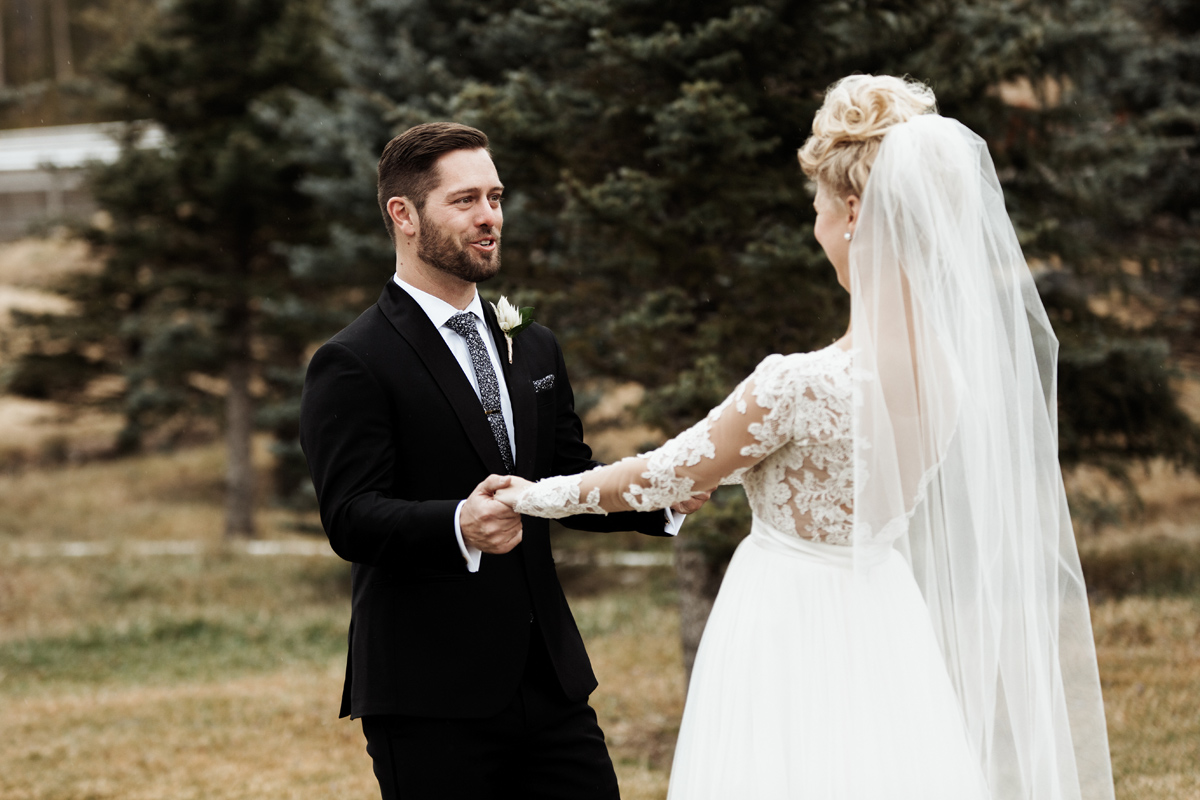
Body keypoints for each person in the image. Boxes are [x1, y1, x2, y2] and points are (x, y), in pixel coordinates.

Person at [495, 76, 1116, 799]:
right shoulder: (954, 374)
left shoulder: (799, 384)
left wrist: (533, 495)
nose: (816, 223)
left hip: (786, 618)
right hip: (884, 608)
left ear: (852, 212)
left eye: (818, 206)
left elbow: (664, 475)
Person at [299, 121, 702, 800]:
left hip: (552, 682)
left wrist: (658, 496)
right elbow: (350, 516)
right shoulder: (354, 361)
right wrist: (460, 523)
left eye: (496, 197)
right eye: (465, 201)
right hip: (428, 695)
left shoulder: (533, 344)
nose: (490, 218)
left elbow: (565, 479)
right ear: (403, 214)